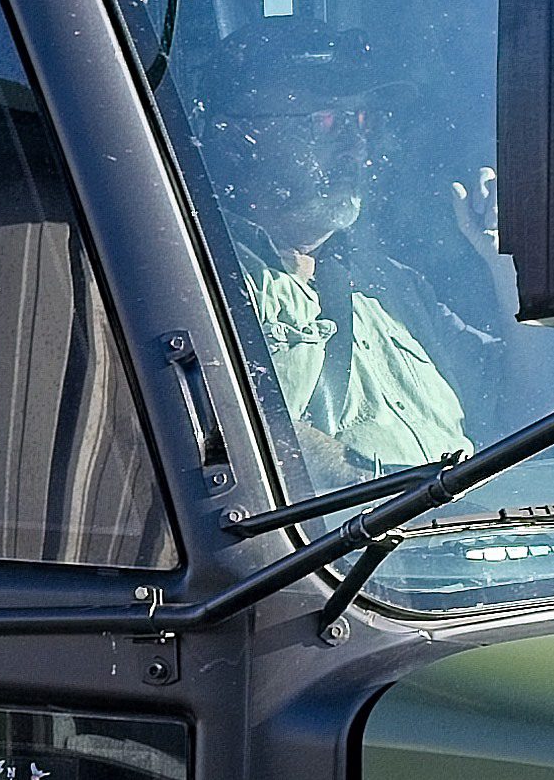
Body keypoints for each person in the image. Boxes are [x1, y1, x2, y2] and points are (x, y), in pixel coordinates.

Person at [185, 39, 473, 474]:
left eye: (363, 121)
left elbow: (532, 409)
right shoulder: (203, 279)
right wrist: (404, 501)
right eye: (324, 121)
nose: (357, 146)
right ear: (239, 138)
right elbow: (222, 428)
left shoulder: (390, 283)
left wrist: (509, 273)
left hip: (466, 534)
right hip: (344, 540)